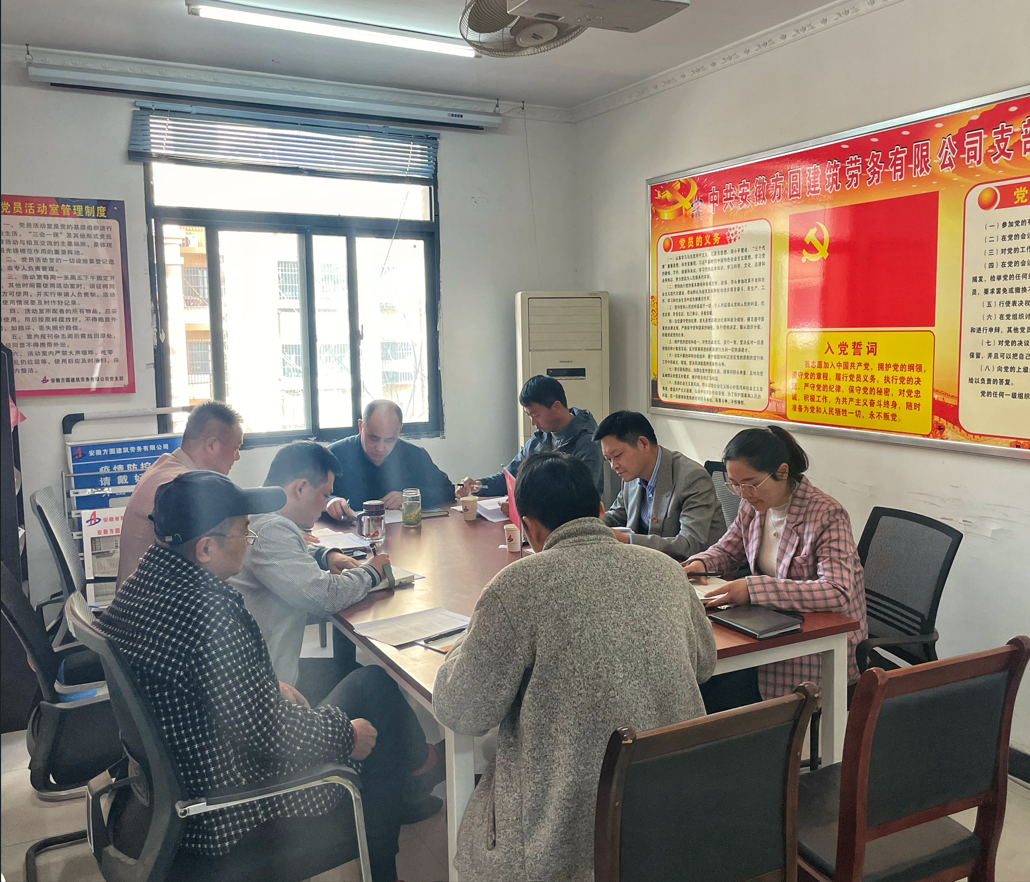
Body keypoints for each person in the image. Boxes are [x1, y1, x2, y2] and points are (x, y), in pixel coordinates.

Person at [98, 470, 411, 882]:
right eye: (244, 533)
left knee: (368, 686)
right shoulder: (208, 615)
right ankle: (386, 855)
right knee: (376, 696)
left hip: (168, 791)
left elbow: (207, 683)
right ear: (206, 548)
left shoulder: (142, 584)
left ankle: (410, 784)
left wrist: (264, 686)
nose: (249, 541)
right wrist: (346, 734)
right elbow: (270, 734)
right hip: (229, 809)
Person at [434, 452, 716, 882]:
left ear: (529, 526)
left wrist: (465, 640)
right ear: (601, 511)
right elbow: (704, 664)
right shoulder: (667, 570)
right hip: (672, 803)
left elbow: (463, 711)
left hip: (567, 827)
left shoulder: (516, 586)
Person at [232, 441, 444, 821]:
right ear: (299, 488)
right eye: (324, 494)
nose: (324, 505)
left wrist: (326, 555)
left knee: (345, 665)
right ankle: (420, 768)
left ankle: (404, 782)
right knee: (374, 683)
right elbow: (323, 596)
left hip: (267, 685)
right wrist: (372, 573)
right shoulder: (271, 530)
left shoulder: (260, 519)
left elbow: (287, 559)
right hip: (272, 708)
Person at [683, 425, 867, 711]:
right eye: (734, 484)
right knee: (697, 681)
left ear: (782, 472)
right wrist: (700, 563)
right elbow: (728, 549)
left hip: (816, 645)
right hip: (767, 628)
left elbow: (836, 591)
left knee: (713, 693)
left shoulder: (826, 514)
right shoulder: (753, 505)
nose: (743, 494)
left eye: (750, 484)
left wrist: (753, 589)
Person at [116, 401, 243, 588]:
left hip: (139, 593)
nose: (237, 457)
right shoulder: (180, 487)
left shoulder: (166, 467)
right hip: (154, 598)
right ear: (212, 445)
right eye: (236, 448)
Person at [596, 410, 726, 559]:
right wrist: (587, 524)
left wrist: (628, 540)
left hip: (693, 567)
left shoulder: (692, 478)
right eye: (609, 459)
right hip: (645, 562)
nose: (613, 466)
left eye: (617, 455)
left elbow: (688, 544)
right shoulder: (631, 475)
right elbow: (616, 516)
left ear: (643, 444)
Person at [457, 375, 604, 499]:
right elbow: (512, 476)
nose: (533, 423)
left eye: (536, 415)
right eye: (529, 416)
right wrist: (478, 485)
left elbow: (579, 497)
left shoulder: (587, 442)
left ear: (556, 406)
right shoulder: (540, 438)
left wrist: (524, 507)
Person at [326, 400, 453, 517]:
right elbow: (313, 494)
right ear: (360, 426)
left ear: (399, 430)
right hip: (348, 531)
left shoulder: (415, 455)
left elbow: (447, 489)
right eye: (374, 438)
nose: (380, 448)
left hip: (402, 531)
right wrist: (330, 501)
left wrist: (408, 498)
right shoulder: (333, 455)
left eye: (389, 439)